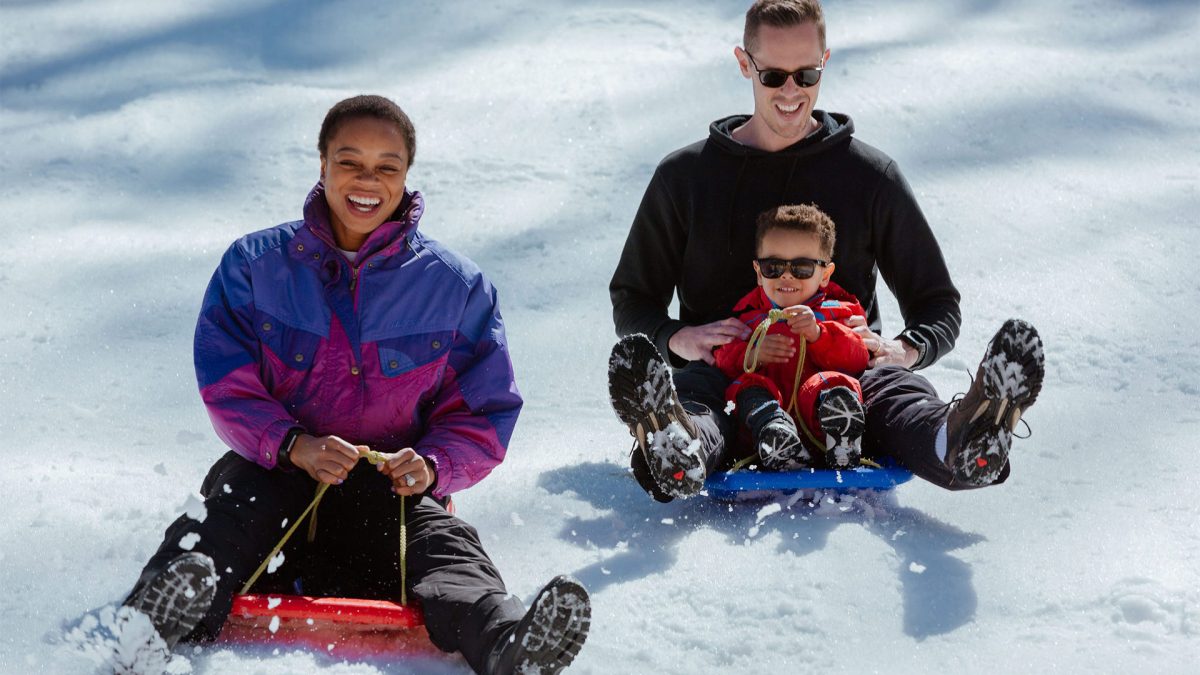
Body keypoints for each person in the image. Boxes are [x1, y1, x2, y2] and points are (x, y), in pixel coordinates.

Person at [115, 95, 590, 675]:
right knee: (222, 521)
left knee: (447, 551)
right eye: (350, 161)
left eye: (387, 166)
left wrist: (433, 466)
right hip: (275, 472)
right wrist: (293, 445)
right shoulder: (255, 265)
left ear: (407, 176)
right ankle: (149, 623)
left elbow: (482, 409)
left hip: (388, 494)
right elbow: (226, 380)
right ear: (322, 164)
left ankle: (509, 645)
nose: (368, 180)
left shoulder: (456, 287)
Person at [607, 0, 1044, 502]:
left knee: (897, 395)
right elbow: (633, 296)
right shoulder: (685, 178)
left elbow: (937, 303)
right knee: (703, 403)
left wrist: (903, 349)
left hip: (848, 386)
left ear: (826, 61)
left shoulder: (869, 177)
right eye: (773, 75)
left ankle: (964, 439)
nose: (791, 91)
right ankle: (678, 450)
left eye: (806, 73)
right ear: (744, 63)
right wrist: (676, 338)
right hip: (729, 378)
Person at [712, 203, 869, 471]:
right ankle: (775, 433)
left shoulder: (838, 312)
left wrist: (819, 334)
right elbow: (723, 357)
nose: (786, 275)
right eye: (773, 266)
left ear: (825, 275)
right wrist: (753, 353)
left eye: (803, 267)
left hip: (817, 422)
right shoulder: (749, 317)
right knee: (748, 387)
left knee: (829, 382)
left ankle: (840, 427)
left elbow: (858, 357)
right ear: (758, 272)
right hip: (765, 422)